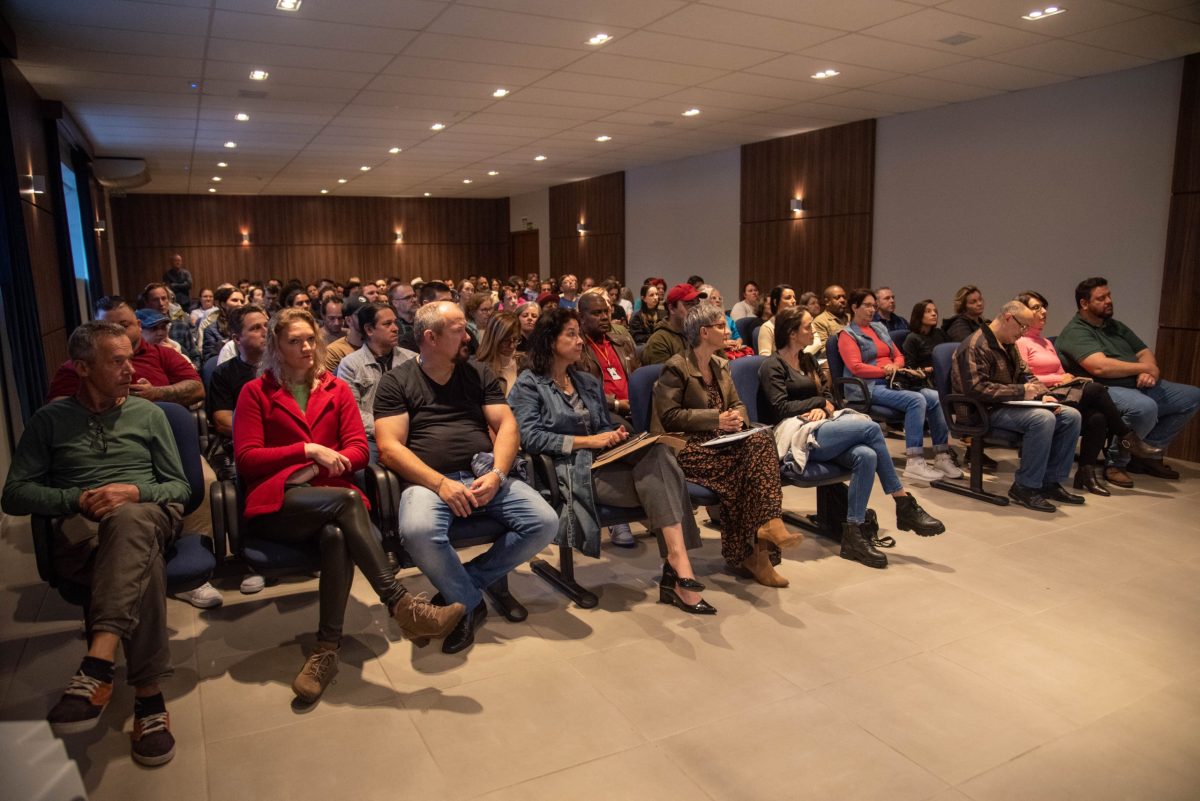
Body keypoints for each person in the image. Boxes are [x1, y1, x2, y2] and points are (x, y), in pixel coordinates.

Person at [234, 308, 464, 704]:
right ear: (276, 346)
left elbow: (359, 450)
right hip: (279, 503)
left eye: (310, 339)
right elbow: (248, 459)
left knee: (337, 535)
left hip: (331, 504)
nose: (306, 347)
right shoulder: (256, 393)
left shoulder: (335, 389)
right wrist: (308, 454)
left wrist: (321, 463)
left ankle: (326, 650)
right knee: (347, 498)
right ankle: (400, 603)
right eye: (294, 341)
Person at [3, 321, 192, 766]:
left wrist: (135, 492)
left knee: (130, 520)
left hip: (149, 513)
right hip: (82, 528)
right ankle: (148, 701)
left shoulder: (148, 414)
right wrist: (75, 499)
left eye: (131, 357)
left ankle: (98, 663)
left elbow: (179, 487)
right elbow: (14, 494)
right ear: (83, 368)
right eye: (118, 361)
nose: (131, 369)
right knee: (141, 563)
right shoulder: (49, 420)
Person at [373, 301, 558, 654]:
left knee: (544, 521)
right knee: (417, 532)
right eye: (459, 330)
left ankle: (460, 589)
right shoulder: (397, 382)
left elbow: (507, 426)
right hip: (429, 481)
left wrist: (499, 474)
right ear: (430, 337)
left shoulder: (477, 373)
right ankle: (470, 604)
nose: (469, 337)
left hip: (481, 473)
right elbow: (389, 449)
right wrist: (440, 483)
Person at [510, 308, 712, 612]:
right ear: (551, 341)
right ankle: (677, 573)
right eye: (572, 334)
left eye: (580, 333)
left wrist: (612, 434)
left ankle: (679, 568)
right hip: (572, 471)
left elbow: (601, 425)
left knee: (659, 454)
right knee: (669, 481)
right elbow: (529, 438)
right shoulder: (529, 384)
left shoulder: (586, 382)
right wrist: (588, 441)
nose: (580, 341)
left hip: (607, 460)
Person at [759, 307, 945, 568]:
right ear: (791, 333)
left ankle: (854, 534)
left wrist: (823, 405)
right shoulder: (772, 366)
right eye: (806, 326)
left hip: (820, 426)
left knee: (866, 455)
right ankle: (902, 501)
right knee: (871, 429)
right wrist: (817, 402)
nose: (812, 330)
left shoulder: (808, 361)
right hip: (792, 434)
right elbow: (780, 408)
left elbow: (831, 398)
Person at [650, 304, 795, 588]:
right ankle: (758, 548)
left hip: (719, 444)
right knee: (750, 468)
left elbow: (738, 404)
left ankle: (763, 536)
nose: (727, 330)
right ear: (704, 333)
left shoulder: (720, 364)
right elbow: (669, 417)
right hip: (686, 447)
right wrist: (717, 419)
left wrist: (735, 419)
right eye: (720, 326)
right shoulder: (677, 367)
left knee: (760, 439)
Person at [1015, 290, 1162, 495]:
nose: (1044, 312)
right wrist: (1061, 379)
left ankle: (1085, 474)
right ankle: (1127, 437)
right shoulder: (1021, 342)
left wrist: (1069, 378)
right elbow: (1024, 377)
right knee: (1096, 389)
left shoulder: (1046, 342)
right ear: (1022, 313)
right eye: (1036, 308)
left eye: (1044, 307)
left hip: (1060, 391)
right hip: (1042, 395)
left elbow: (1059, 372)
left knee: (1098, 418)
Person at [1056, 277, 1199, 481]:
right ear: (1084, 304)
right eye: (1101, 298)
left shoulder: (1115, 326)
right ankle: (1116, 462)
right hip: (1106, 388)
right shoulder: (1076, 331)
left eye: (1109, 295)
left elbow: (1144, 352)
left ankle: (1147, 454)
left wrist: (1147, 371)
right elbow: (1100, 367)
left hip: (1140, 383)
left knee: (1192, 396)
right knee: (1144, 407)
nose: (1109, 301)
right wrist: (1144, 368)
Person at [952, 301, 1085, 512]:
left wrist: (1045, 396)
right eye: (1022, 326)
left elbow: (1027, 374)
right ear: (1007, 318)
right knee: (1043, 419)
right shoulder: (975, 345)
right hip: (981, 412)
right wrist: (1022, 391)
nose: (1023, 333)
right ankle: (1025, 486)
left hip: (1005, 406)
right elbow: (976, 389)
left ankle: (1050, 482)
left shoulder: (1008, 344)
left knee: (1071, 416)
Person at [837, 289, 961, 484]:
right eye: (867, 306)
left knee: (935, 397)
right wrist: (885, 371)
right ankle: (914, 461)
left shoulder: (879, 328)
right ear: (854, 307)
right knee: (917, 399)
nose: (871, 310)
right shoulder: (847, 335)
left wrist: (895, 366)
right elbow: (856, 367)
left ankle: (941, 456)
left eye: (873, 306)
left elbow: (899, 356)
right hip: (867, 386)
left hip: (893, 380)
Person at [48, 296, 203, 408]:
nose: (115, 331)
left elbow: (197, 389)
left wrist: (156, 393)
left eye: (124, 325)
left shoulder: (163, 354)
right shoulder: (82, 365)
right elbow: (57, 410)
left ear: (139, 325)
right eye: (107, 326)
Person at [576, 290, 641, 546]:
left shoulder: (622, 341)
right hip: (603, 413)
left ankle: (655, 503)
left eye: (606, 312)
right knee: (626, 437)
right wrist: (618, 404)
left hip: (635, 407)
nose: (604, 317)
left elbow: (637, 376)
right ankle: (618, 517)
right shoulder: (578, 346)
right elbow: (582, 390)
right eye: (596, 313)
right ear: (581, 317)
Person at [336, 302, 417, 461]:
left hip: (411, 433)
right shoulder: (350, 365)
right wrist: (390, 428)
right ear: (369, 330)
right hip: (371, 436)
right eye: (387, 324)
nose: (396, 328)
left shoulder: (411, 359)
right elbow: (352, 412)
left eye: (395, 322)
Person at [641, 283, 701, 365]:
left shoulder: (700, 334)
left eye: (697, 304)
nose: (695, 309)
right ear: (672, 308)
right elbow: (667, 376)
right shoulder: (659, 341)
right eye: (689, 304)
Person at [139, 282, 197, 363]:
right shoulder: (141, 329)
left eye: (164, 298)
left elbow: (195, 356)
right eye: (155, 300)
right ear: (147, 302)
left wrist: (193, 367)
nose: (161, 303)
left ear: (169, 300)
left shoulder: (181, 326)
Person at [474, 311, 522, 396]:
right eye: (506, 340)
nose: (511, 346)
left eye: (515, 339)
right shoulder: (479, 369)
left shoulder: (524, 363)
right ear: (493, 339)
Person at [323, 294, 370, 373]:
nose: (366, 318)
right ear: (348, 320)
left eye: (369, 313)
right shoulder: (334, 351)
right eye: (361, 315)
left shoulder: (377, 343)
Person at [901, 299, 948, 375]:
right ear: (918, 315)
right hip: (924, 379)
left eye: (935, 311)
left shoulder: (940, 333)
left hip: (943, 373)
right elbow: (910, 369)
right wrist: (926, 370)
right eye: (928, 311)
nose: (934, 314)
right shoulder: (912, 339)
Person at [201, 286, 247, 364]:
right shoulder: (211, 330)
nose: (240, 304)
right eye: (235, 300)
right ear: (223, 304)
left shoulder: (248, 326)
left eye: (242, 301)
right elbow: (210, 360)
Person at [810, 284, 849, 361]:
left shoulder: (851, 317)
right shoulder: (820, 321)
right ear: (827, 302)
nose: (842, 300)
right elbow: (824, 351)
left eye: (844, 297)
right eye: (837, 298)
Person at [757, 284, 797, 357]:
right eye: (788, 298)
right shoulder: (767, 327)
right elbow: (765, 358)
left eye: (794, 297)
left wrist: (799, 356)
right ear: (775, 302)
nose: (794, 301)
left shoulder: (799, 321)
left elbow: (816, 341)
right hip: (779, 367)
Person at [389, 281, 418, 350]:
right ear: (395, 303)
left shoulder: (424, 320)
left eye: (414, 296)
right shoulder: (392, 326)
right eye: (407, 298)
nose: (414, 300)